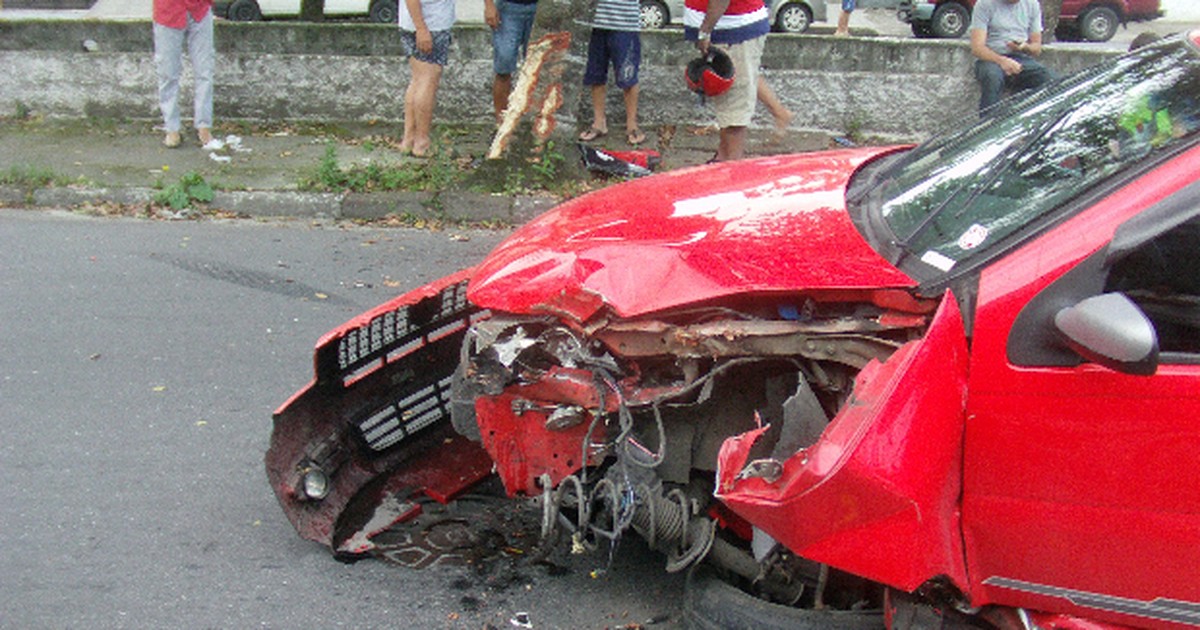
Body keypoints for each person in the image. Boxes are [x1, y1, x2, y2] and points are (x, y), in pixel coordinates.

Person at [685, 0, 770, 161]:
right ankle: (723, 159)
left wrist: (705, 31)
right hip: (725, 29)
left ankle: (731, 167)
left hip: (734, 31)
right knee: (727, 107)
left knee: (734, 114)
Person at [969, 0, 1055, 114]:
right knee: (992, 77)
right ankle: (987, 122)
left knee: (1050, 79)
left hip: (1020, 57)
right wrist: (1002, 61)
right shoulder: (985, 4)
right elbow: (977, 48)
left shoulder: (1032, 4)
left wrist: (1024, 47)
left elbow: (1036, 48)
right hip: (990, 57)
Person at [578, 0, 645, 145]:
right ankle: (598, 123)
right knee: (595, 75)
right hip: (596, 24)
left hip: (626, 24)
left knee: (628, 77)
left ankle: (632, 125)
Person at [152, 0, 215, 149]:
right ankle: (172, 128)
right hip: (168, 10)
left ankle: (204, 126)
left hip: (200, 9)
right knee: (168, 73)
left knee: (204, 71)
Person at [398, 0, 456, 157]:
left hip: (415, 24)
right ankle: (422, 142)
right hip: (431, 26)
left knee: (417, 80)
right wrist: (421, 28)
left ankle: (409, 139)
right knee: (427, 81)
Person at [484, 0, 539, 124]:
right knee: (504, 63)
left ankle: (536, 123)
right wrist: (489, 5)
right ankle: (501, 123)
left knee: (537, 67)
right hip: (508, 8)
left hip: (540, 8)